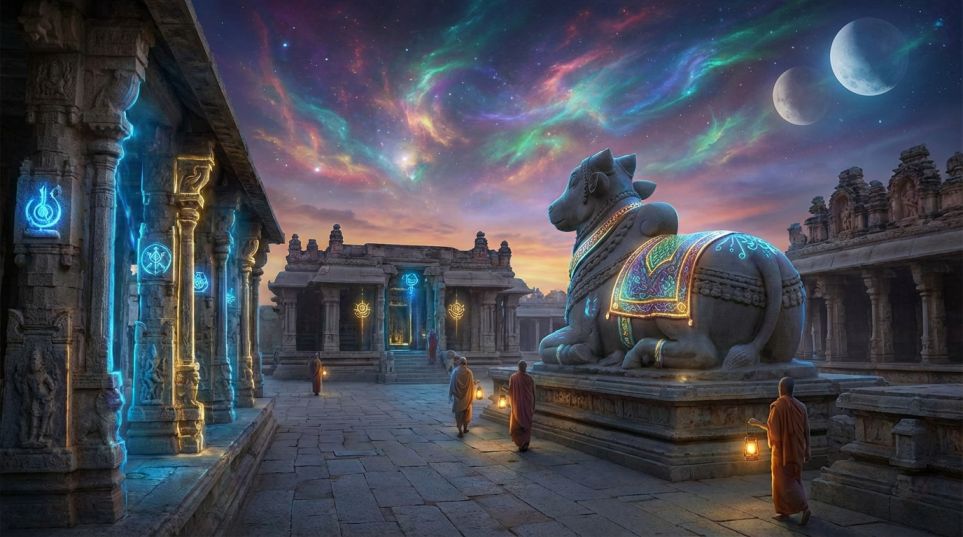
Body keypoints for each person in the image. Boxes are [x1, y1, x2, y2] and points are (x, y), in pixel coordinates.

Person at [749, 376, 812, 526]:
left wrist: (758, 424)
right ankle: (784, 511)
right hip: (797, 449)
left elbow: (774, 433)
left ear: (781, 389)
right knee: (795, 478)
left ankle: (804, 507)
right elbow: (807, 429)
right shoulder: (801, 406)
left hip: (782, 452)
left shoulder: (777, 406)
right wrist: (808, 448)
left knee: (784, 483)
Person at [508, 360, 536, 452]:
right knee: (526, 423)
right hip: (527, 404)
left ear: (518, 367)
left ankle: (521, 443)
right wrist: (533, 405)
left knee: (518, 423)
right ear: (525, 367)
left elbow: (510, 392)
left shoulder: (513, 377)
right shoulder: (529, 378)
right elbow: (533, 393)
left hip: (517, 405)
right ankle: (525, 443)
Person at [448, 356, 474, 438]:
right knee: (466, 413)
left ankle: (460, 431)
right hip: (466, 397)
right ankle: (465, 428)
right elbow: (472, 385)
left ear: (459, 363)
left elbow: (452, 384)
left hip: (458, 398)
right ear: (466, 363)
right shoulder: (469, 372)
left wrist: (450, 394)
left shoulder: (455, 371)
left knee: (458, 415)